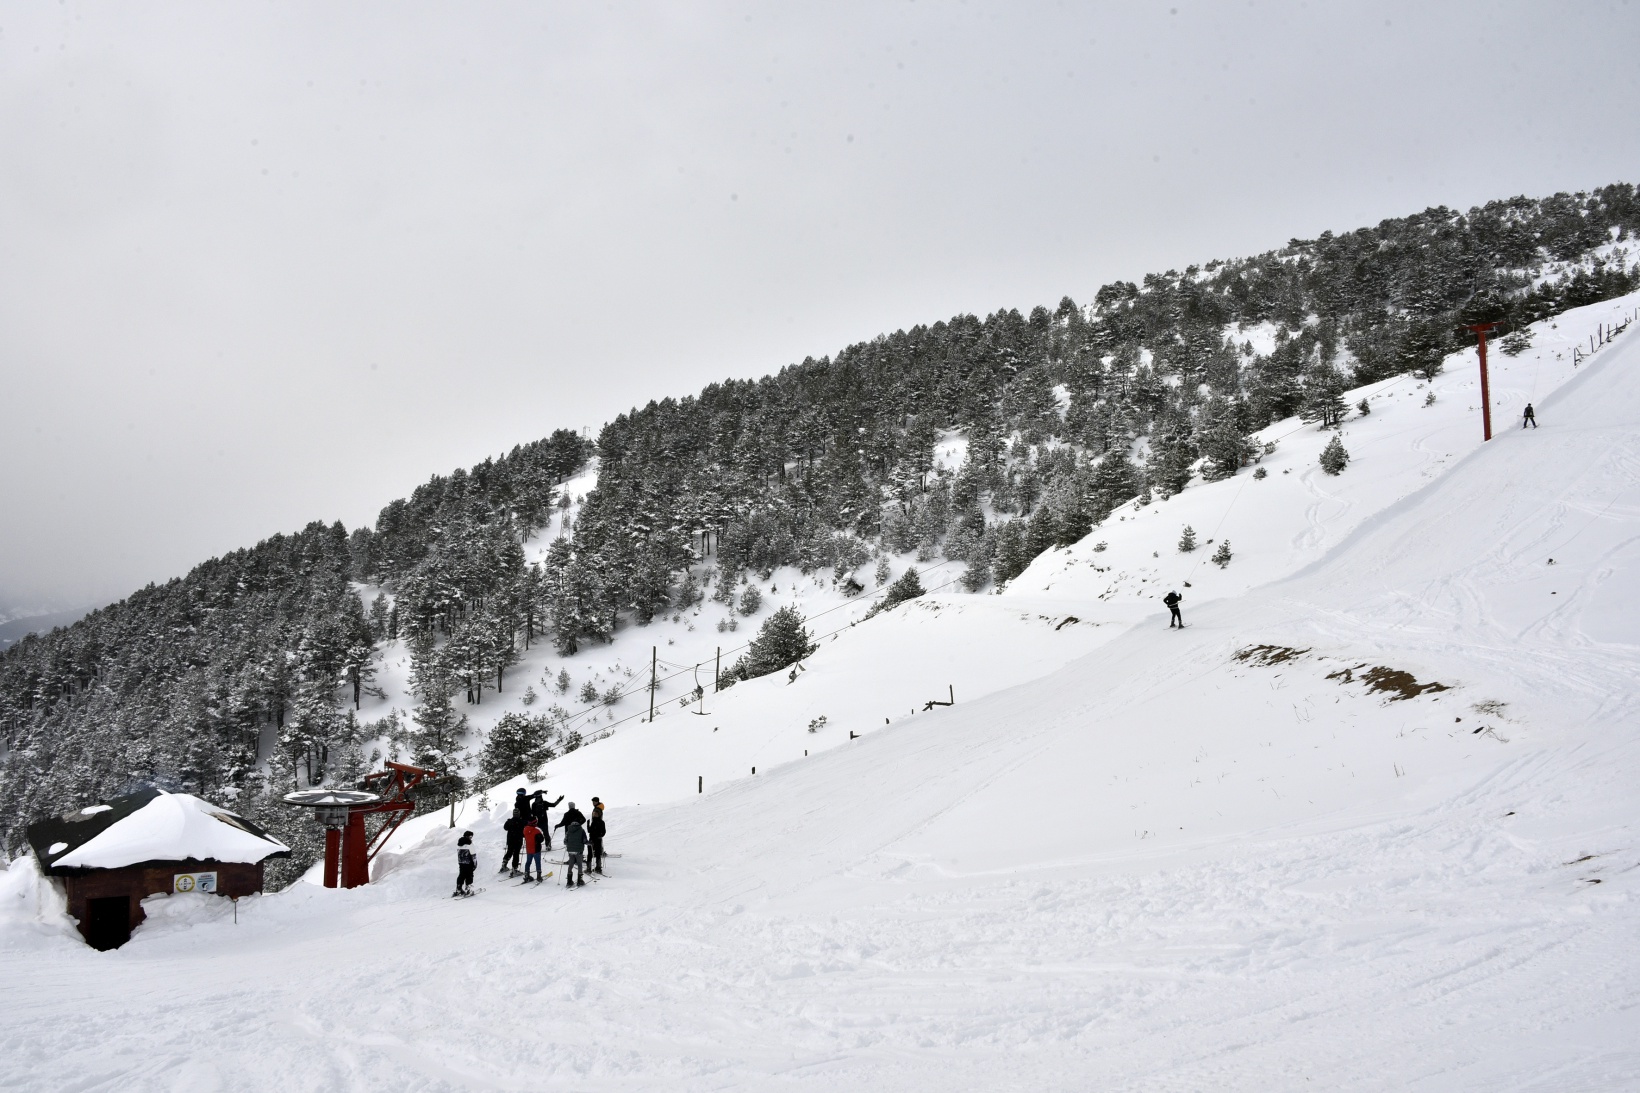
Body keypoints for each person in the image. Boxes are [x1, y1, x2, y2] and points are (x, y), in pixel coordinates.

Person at [560, 804, 588, 888]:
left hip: (570, 851)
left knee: (570, 865)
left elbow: (565, 841)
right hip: (579, 851)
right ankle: (580, 880)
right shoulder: (581, 830)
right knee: (579, 865)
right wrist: (590, 843)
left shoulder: (568, 830)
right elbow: (584, 841)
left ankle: (569, 881)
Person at [500, 809, 525, 876]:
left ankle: (504, 865)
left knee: (509, 851)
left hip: (510, 840)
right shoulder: (521, 822)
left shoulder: (509, 821)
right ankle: (514, 869)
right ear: (519, 814)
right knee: (516, 854)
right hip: (518, 840)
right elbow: (523, 831)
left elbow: (505, 828)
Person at [521, 815, 545, 883]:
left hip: (529, 849)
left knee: (528, 862)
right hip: (536, 849)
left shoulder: (525, 829)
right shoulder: (537, 830)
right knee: (537, 862)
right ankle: (539, 876)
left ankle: (527, 874)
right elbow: (542, 839)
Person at [587, 798, 606, 875]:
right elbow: (603, 832)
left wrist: (588, 825)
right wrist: (600, 836)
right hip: (598, 839)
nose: (594, 814)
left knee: (590, 854)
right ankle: (598, 868)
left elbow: (590, 831)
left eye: (595, 814)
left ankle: (589, 868)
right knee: (597, 853)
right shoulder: (601, 822)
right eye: (593, 813)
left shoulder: (595, 822)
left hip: (593, 840)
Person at [455, 831, 476, 897]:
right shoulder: (470, 844)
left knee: (461, 875)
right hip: (469, 862)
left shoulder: (459, 844)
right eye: (471, 836)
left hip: (461, 863)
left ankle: (458, 889)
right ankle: (468, 890)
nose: (471, 838)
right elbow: (473, 855)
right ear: (468, 836)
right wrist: (475, 864)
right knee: (469, 875)